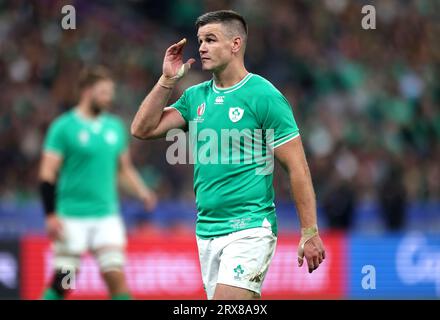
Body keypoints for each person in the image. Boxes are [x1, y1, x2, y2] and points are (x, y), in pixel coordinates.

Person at [131, 10, 325, 300]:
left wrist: (309, 230)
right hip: (207, 229)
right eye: (200, 41)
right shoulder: (195, 97)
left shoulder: (263, 95)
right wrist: (167, 80)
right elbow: (142, 128)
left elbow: (297, 167)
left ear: (236, 44)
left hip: (249, 228)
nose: (202, 48)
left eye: (211, 39)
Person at [39, 66, 157, 300]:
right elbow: (47, 173)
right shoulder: (64, 127)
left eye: (110, 92)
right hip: (71, 215)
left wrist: (143, 191)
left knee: (116, 277)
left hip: (106, 216)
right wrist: (50, 214)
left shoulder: (114, 127)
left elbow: (123, 170)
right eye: (103, 92)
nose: (108, 97)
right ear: (86, 91)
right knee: (65, 281)